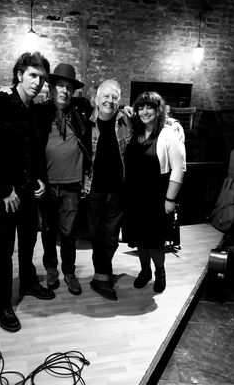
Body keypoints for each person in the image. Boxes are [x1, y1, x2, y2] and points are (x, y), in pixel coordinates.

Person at [0, 52, 55, 333]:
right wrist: (4, 189)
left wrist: (39, 180)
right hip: (6, 194)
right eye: (33, 75)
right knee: (3, 248)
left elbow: (33, 151)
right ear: (20, 74)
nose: (37, 82)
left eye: (41, 78)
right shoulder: (0, 103)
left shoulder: (33, 109)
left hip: (27, 191)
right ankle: (1, 303)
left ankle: (28, 282)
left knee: (27, 241)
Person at [122, 91, 186, 293]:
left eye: (149, 107)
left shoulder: (168, 134)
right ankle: (144, 271)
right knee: (139, 239)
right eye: (141, 107)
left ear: (159, 110)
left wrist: (170, 199)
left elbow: (179, 167)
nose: (144, 111)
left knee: (155, 242)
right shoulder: (135, 131)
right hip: (134, 197)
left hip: (156, 197)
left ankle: (160, 271)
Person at [38, 63, 92, 296]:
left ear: (74, 91)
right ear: (51, 88)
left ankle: (69, 272)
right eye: (60, 85)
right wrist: (7, 91)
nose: (64, 91)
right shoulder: (40, 114)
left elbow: (107, 108)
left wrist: (127, 110)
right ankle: (51, 269)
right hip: (46, 184)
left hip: (71, 185)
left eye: (69, 87)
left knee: (69, 233)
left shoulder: (80, 113)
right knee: (48, 230)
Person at [83, 79, 133, 301]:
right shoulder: (86, 123)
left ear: (119, 101)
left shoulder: (126, 121)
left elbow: (153, 119)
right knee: (96, 235)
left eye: (114, 97)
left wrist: (171, 123)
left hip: (118, 191)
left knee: (111, 237)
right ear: (96, 99)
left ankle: (102, 275)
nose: (109, 101)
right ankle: (102, 276)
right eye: (105, 96)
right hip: (94, 190)